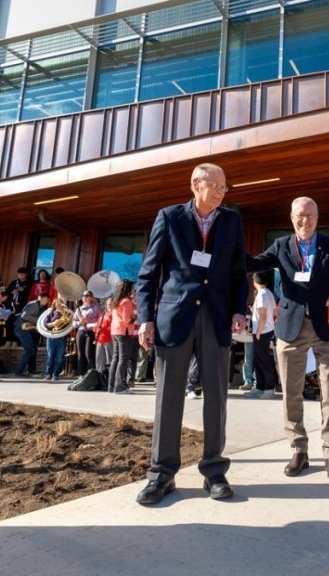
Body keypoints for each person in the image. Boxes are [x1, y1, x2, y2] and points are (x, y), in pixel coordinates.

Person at [135, 162, 248, 505]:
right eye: (216, 186)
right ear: (196, 184)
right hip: (175, 318)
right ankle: (161, 474)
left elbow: (238, 271)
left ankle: (214, 471)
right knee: (168, 398)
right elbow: (148, 273)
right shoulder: (169, 217)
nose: (221, 193)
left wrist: (239, 310)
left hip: (217, 318)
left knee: (216, 397)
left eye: (224, 188)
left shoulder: (231, 221)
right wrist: (145, 318)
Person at [247, 197, 329, 481]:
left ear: (317, 217)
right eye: (299, 215)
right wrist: (227, 249)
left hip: (326, 326)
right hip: (290, 327)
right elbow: (253, 263)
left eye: (309, 215)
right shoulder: (281, 245)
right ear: (291, 217)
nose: (304, 220)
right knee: (291, 393)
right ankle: (299, 450)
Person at [245, 270, 279, 399]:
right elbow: (273, 312)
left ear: (255, 281)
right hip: (264, 330)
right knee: (258, 359)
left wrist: (258, 332)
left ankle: (268, 388)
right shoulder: (268, 293)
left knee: (263, 360)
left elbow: (263, 316)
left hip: (263, 331)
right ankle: (260, 386)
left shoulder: (263, 294)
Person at [108, 280, 137, 393]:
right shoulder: (126, 301)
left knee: (115, 359)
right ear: (127, 289)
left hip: (115, 331)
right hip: (124, 331)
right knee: (123, 359)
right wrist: (136, 318)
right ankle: (119, 386)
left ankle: (111, 386)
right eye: (131, 288)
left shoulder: (116, 301)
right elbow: (127, 320)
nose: (133, 290)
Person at [13, 292, 49, 377]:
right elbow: (24, 316)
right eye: (44, 299)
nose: (46, 301)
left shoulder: (40, 307)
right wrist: (39, 321)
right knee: (30, 350)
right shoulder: (34, 304)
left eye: (47, 300)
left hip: (28, 330)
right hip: (21, 329)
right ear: (39, 298)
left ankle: (31, 370)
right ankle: (18, 371)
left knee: (34, 350)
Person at [73, 289, 102, 375]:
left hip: (91, 332)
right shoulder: (79, 309)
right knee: (80, 353)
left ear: (91, 297)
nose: (84, 298)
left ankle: (92, 373)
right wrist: (80, 322)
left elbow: (100, 320)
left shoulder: (96, 307)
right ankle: (81, 373)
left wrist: (89, 322)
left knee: (89, 354)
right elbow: (73, 323)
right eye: (83, 296)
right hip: (81, 331)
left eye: (86, 296)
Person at [43, 297, 72, 381]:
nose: (59, 304)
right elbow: (45, 323)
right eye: (57, 303)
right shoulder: (51, 313)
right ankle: (49, 374)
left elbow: (69, 322)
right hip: (51, 337)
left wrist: (62, 312)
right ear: (54, 304)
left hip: (61, 337)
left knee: (60, 358)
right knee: (50, 357)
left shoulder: (67, 313)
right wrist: (53, 323)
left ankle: (55, 374)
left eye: (60, 302)